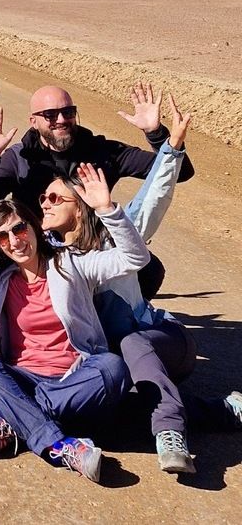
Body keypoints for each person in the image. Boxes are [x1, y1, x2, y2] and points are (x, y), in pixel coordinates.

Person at [39, 97, 242, 474]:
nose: (46, 204)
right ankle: (223, 410)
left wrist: (168, 144)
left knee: (132, 342)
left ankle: (170, 432)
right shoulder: (46, 258)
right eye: (43, 198)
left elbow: (152, 200)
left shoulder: (112, 238)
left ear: (78, 207)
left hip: (163, 341)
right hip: (114, 363)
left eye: (56, 198)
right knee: (107, 409)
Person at [0, 163, 147, 484]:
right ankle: (59, 445)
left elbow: (134, 258)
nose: (13, 241)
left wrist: (108, 210)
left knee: (112, 368)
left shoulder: (73, 265)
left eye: (18, 229)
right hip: (22, 379)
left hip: (75, 380)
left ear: (33, 226)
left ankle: (16, 422)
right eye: (2, 237)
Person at [0, 81, 195, 218]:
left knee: (150, 270)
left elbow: (181, 172)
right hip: (37, 255)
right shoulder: (19, 158)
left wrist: (156, 134)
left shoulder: (103, 152)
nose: (61, 119)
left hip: (91, 250)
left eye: (68, 112)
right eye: (49, 115)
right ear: (33, 121)